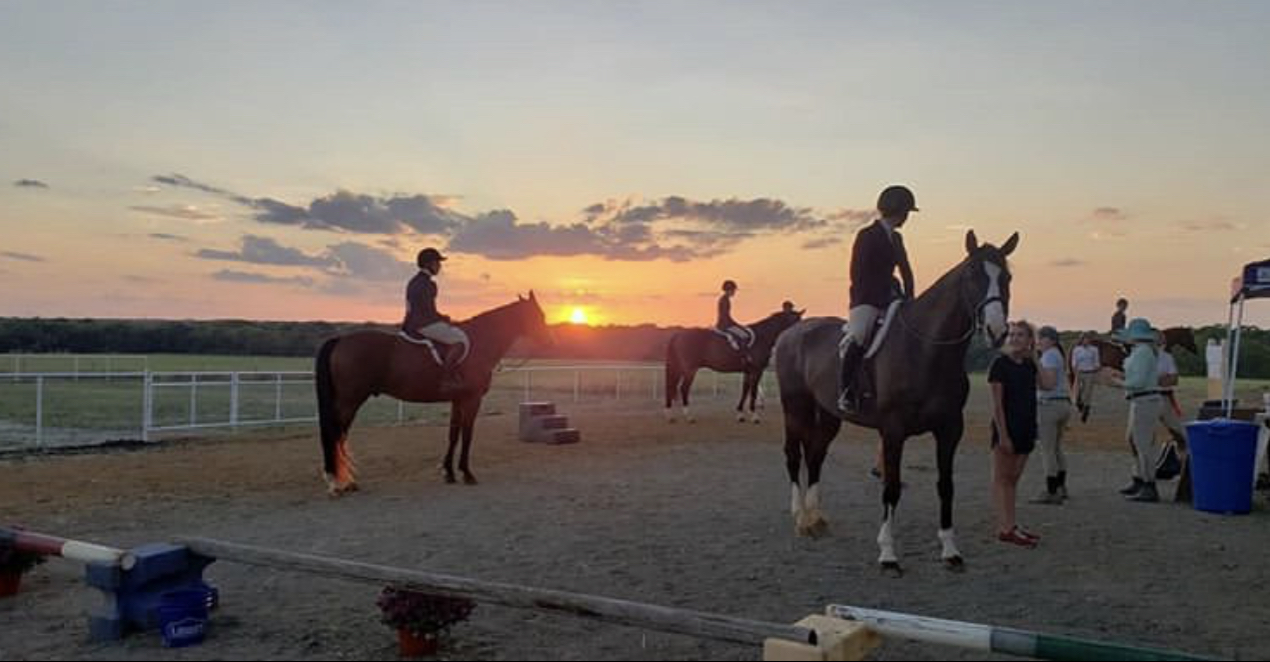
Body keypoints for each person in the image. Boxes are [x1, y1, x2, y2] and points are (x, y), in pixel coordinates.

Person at [839, 185, 917, 411]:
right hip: (867, 299)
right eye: (906, 212)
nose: (907, 218)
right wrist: (882, 294)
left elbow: (906, 271)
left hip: (893, 299)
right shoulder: (867, 235)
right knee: (860, 335)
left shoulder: (897, 239)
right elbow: (858, 272)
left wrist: (910, 298)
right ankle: (845, 390)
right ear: (898, 211)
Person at [990, 321, 1041, 547]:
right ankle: (1005, 528)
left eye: (1021, 335)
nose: (1015, 338)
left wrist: (1036, 359)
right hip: (1007, 428)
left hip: (1027, 427)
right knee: (1003, 479)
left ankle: (1012, 524)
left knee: (1014, 480)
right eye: (1012, 334)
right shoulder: (1000, 365)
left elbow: (1048, 384)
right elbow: (997, 405)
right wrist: (1003, 435)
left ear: (1030, 340)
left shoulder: (1029, 366)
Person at [1109, 318, 1163, 502]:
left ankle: (1148, 483)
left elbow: (1137, 383)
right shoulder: (1143, 352)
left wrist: (1118, 382)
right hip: (1142, 400)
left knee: (1142, 444)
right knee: (1135, 441)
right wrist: (1123, 376)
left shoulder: (1142, 353)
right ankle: (1140, 479)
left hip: (1143, 400)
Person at [402, 248, 469, 391]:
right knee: (460, 340)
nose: (439, 266)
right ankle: (447, 378)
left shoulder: (414, 281)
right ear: (428, 264)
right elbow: (428, 310)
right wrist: (444, 318)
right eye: (437, 263)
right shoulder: (428, 284)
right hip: (423, 324)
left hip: (410, 323)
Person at [1032, 326, 1072, 505]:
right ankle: (1062, 486)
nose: (1038, 342)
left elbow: (1049, 382)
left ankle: (1051, 489)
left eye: (1041, 338)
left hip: (1049, 405)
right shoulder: (1057, 355)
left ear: (1050, 340)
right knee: (1056, 448)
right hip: (1063, 403)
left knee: (1047, 449)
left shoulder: (1049, 356)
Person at [716, 280, 752, 363]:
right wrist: (736, 325)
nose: (734, 292)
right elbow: (725, 316)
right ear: (729, 290)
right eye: (733, 290)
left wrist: (736, 324)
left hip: (725, 323)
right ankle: (742, 357)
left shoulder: (724, 299)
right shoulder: (724, 300)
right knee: (744, 336)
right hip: (725, 325)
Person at [1070, 332, 1101, 423]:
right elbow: (1074, 362)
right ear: (1081, 340)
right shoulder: (1077, 350)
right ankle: (1080, 404)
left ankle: (1086, 411)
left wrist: (1097, 367)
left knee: (1087, 393)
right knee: (1079, 392)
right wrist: (1075, 372)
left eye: (1088, 339)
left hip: (1090, 373)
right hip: (1079, 372)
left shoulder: (1094, 350)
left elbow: (1097, 361)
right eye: (1084, 339)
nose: (1086, 341)